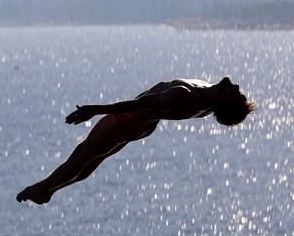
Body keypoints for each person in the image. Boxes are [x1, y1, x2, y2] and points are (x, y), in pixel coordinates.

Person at [16, 77, 255, 204]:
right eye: (238, 91)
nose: (235, 86)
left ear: (223, 103)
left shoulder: (187, 97)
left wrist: (94, 110)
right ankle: (51, 190)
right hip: (140, 126)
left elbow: (141, 103)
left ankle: (41, 188)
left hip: (128, 120)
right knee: (91, 160)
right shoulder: (207, 95)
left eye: (235, 94)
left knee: (82, 155)